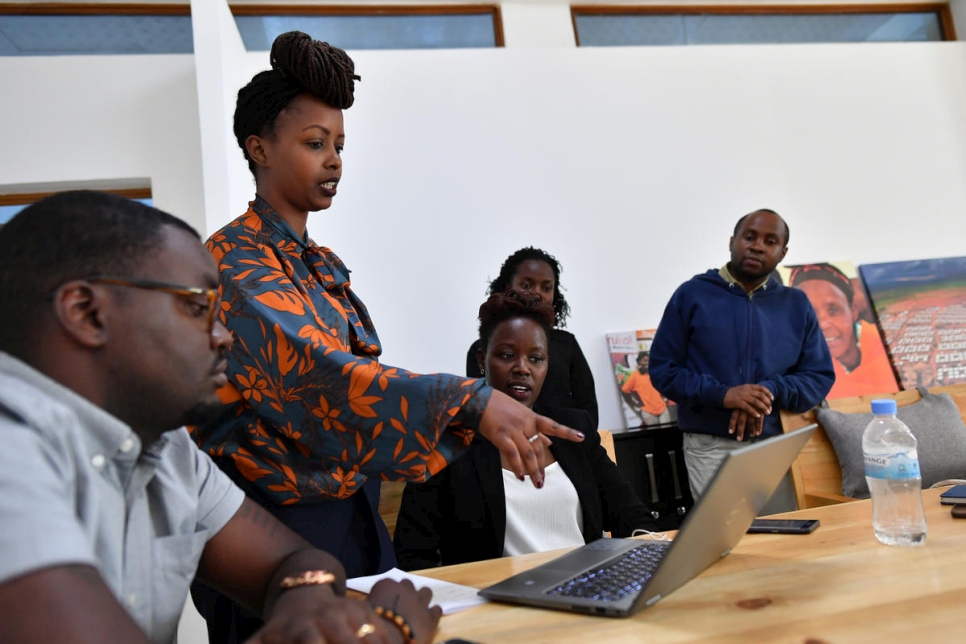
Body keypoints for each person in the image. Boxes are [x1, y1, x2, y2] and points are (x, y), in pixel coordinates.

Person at [190, 32, 583, 641]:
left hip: (351, 509)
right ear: (258, 147)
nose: (334, 160)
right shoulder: (235, 264)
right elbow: (320, 375)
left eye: (340, 145)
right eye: (315, 143)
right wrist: (471, 400)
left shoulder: (318, 261)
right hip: (271, 525)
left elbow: (359, 372)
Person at [0, 190, 441, 644]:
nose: (224, 337)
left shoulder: (162, 444)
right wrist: (381, 633)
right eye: (198, 308)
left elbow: (293, 560)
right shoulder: (10, 453)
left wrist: (303, 606)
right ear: (87, 313)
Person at [394, 291, 658, 571]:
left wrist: (649, 559)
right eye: (507, 355)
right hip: (495, 604)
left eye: (536, 358)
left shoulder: (573, 429)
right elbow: (412, 555)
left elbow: (631, 517)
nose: (522, 368)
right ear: (482, 359)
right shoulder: (447, 439)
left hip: (586, 590)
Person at [649, 209, 834, 497]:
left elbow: (819, 375)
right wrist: (724, 395)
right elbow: (663, 370)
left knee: (786, 536)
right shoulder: (692, 294)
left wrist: (768, 392)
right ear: (733, 241)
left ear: (782, 253)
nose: (758, 245)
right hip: (710, 443)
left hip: (778, 441)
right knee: (726, 538)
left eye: (770, 241)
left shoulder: (796, 304)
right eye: (750, 237)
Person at [465, 247, 599, 426]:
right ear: (507, 287)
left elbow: (588, 409)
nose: (537, 293)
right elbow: (480, 408)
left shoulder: (567, 344)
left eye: (546, 287)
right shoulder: (482, 348)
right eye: (527, 285)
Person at [788, 263, 899, 398]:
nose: (823, 324)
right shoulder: (798, 373)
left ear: (853, 312)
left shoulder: (890, 346)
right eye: (809, 314)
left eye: (833, 310)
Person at [620, 351, 669, 424]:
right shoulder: (635, 376)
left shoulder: (654, 373)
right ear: (639, 362)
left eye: (649, 361)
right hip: (648, 412)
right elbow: (624, 391)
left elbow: (663, 384)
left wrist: (665, 399)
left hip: (662, 409)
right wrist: (634, 403)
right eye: (645, 361)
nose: (647, 363)